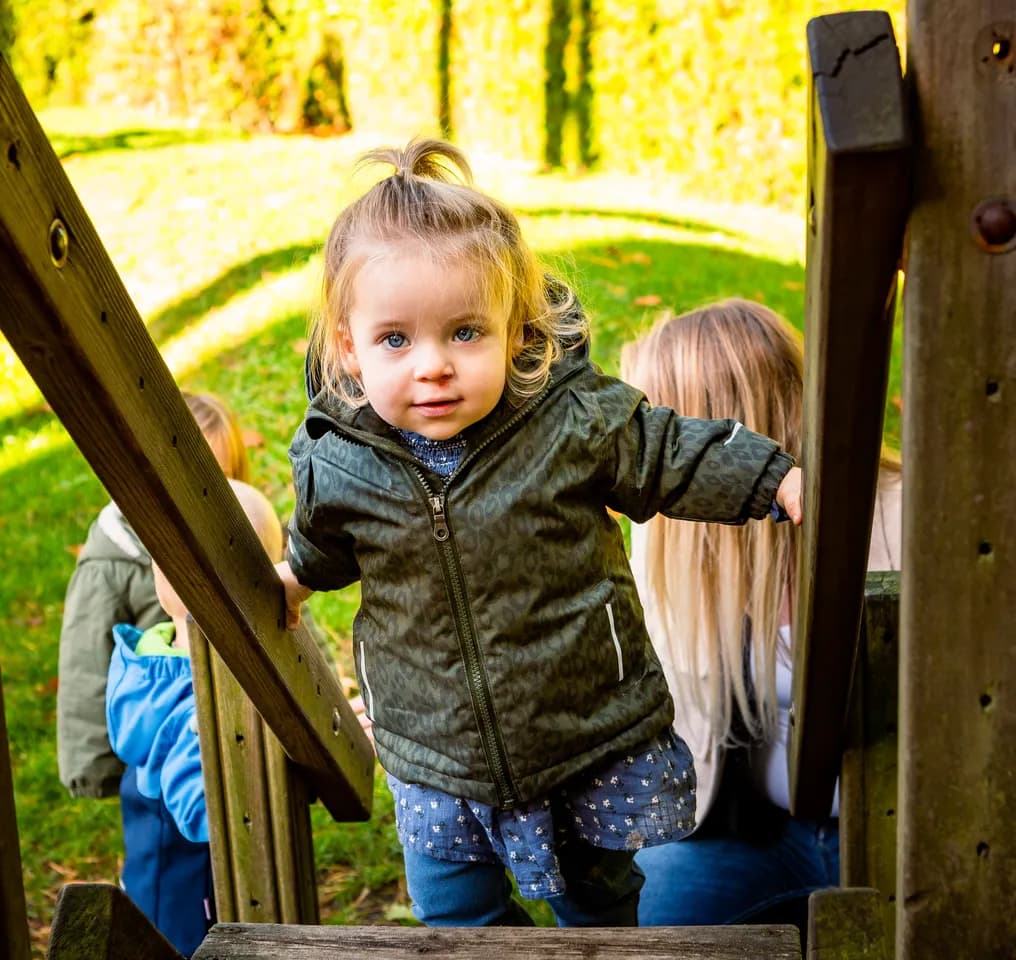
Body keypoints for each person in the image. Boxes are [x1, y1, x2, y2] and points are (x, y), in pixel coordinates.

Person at [274, 139, 804, 928]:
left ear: (516, 330)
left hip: (581, 737)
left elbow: (666, 452)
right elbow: (323, 542)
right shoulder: (339, 459)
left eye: (464, 333)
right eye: (396, 339)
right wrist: (293, 578)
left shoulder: (569, 421)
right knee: (453, 911)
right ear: (349, 347)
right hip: (437, 753)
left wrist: (773, 477)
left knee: (596, 903)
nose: (432, 366)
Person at [620, 298, 902, 930]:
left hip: (903, 829)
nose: (634, 454)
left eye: (650, 432)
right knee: (646, 919)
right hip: (749, 835)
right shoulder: (666, 542)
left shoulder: (903, 519)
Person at [107, 478, 283, 957]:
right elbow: (203, 814)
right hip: (194, 904)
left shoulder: (150, 659)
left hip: (153, 875)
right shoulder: (197, 698)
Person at [57, 391, 251, 799]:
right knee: (166, 833)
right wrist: (93, 766)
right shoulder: (113, 565)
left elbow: (291, 626)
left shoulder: (244, 542)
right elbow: (86, 665)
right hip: (155, 757)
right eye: (184, 482)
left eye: (217, 480)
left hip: (240, 733)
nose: (199, 498)